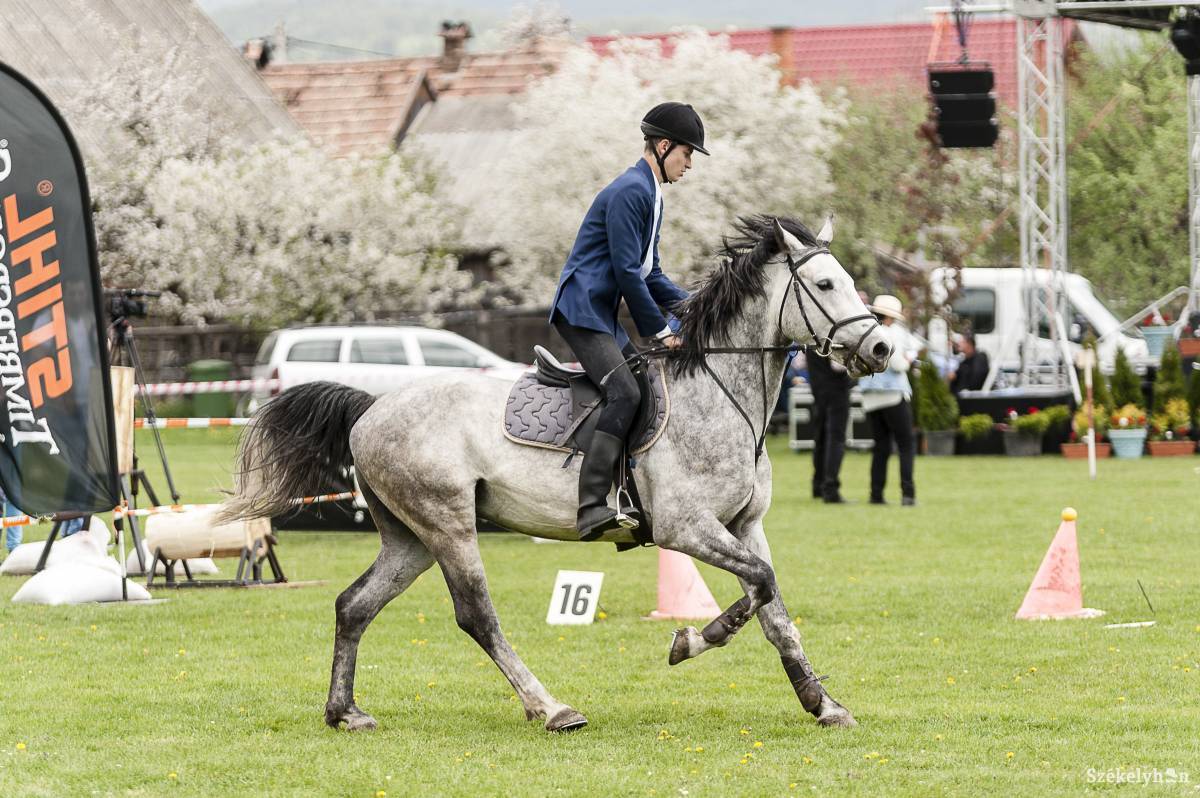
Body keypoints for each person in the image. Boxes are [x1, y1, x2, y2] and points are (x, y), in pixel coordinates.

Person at [548, 102, 706, 539]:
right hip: (581, 310)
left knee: (644, 387)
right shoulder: (631, 192)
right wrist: (660, 330)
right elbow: (625, 273)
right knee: (623, 391)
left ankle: (626, 490)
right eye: (686, 154)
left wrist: (697, 309)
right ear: (662, 145)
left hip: (601, 314)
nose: (689, 164)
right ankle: (590, 506)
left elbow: (651, 274)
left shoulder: (651, 195)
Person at [857, 295, 917, 506]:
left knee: (881, 446)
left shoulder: (866, 332)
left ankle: (876, 494)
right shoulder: (891, 334)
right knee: (906, 444)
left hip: (870, 397)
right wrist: (909, 360)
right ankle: (908, 493)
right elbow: (898, 364)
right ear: (891, 316)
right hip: (893, 395)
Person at [806, 348, 853, 503]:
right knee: (836, 438)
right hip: (836, 389)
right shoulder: (832, 341)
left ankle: (818, 484)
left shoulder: (812, 342)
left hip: (818, 388)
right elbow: (838, 366)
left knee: (821, 436)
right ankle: (830, 488)